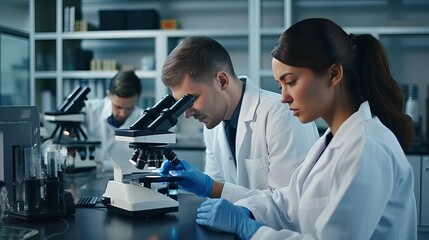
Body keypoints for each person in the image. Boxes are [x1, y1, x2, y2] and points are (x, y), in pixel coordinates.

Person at [194, 18, 417, 239]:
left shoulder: (366, 146)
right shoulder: (331, 141)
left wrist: (251, 230)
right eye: (280, 85)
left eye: (291, 82)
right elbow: (290, 203)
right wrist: (248, 210)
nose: (283, 97)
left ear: (334, 74)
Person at [159, 36, 319, 202]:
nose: (187, 113)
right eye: (181, 104)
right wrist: (208, 188)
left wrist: (212, 187)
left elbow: (291, 202)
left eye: (191, 99)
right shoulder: (212, 125)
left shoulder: (281, 115)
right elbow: (216, 194)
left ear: (222, 81)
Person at [83, 70, 144, 170]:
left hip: (126, 184)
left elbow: (145, 167)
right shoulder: (89, 109)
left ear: (138, 98)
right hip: (88, 182)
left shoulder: (145, 120)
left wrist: (104, 166)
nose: (123, 113)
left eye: (129, 108)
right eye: (118, 107)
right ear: (108, 95)